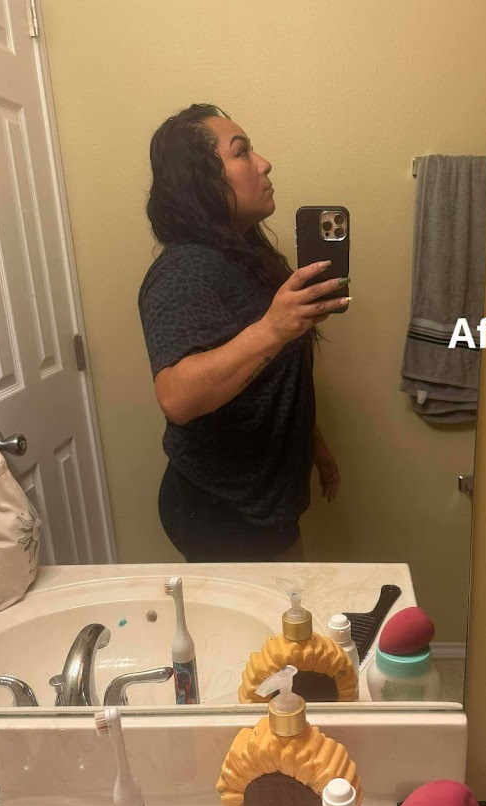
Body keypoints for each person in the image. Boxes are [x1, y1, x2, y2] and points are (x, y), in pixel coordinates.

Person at [138, 104, 347, 561]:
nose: (264, 163)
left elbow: (274, 375)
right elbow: (176, 397)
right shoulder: (184, 269)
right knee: (277, 608)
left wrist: (314, 443)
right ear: (203, 181)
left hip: (265, 501)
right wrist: (273, 328)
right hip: (222, 509)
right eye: (242, 153)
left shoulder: (248, 258)